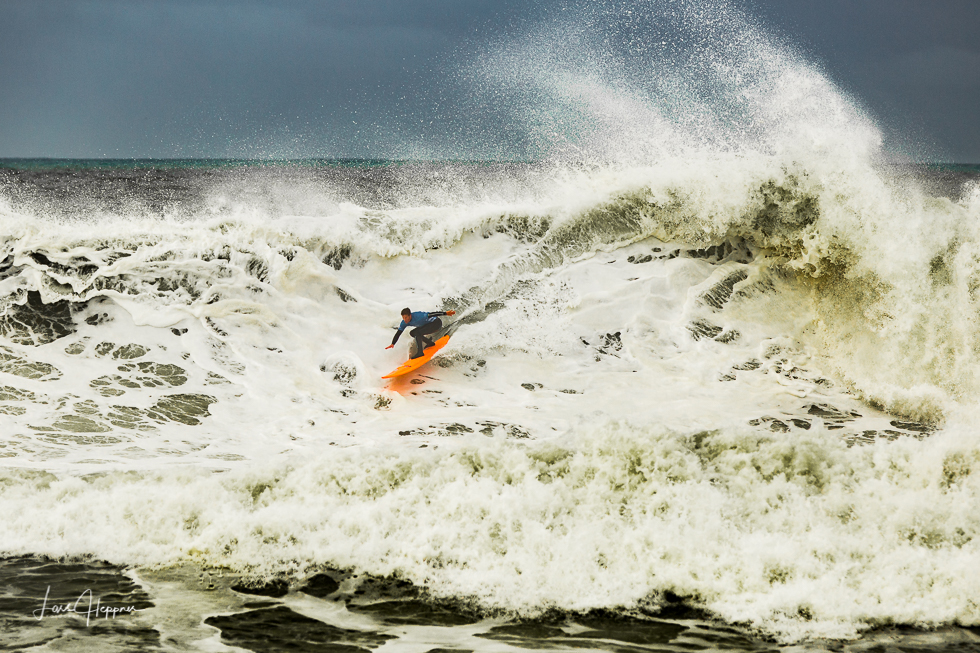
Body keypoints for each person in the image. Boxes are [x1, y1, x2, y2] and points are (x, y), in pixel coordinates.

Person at [386, 307, 456, 358]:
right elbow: (399, 332)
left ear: (410, 315)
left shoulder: (419, 316)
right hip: (427, 325)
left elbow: (432, 314)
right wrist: (393, 343)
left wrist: (446, 313)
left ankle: (420, 352)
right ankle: (429, 343)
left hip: (436, 324)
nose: (405, 320)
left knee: (417, 333)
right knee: (412, 333)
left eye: (406, 317)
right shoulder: (404, 322)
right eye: (403, 318)